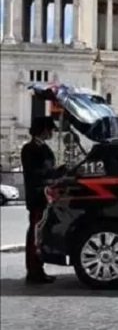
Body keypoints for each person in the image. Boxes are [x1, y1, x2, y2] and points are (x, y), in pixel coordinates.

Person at [20, 116, 62, 284]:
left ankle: (38, 268)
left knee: (40, 234)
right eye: (50, 129)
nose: (51, 132)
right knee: (35, 235)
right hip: (38, 196)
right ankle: (33, 270)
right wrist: (53, 173)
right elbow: (36, 173)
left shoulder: (42, 148)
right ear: (44, 130)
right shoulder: (29, 149)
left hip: (44, 195)